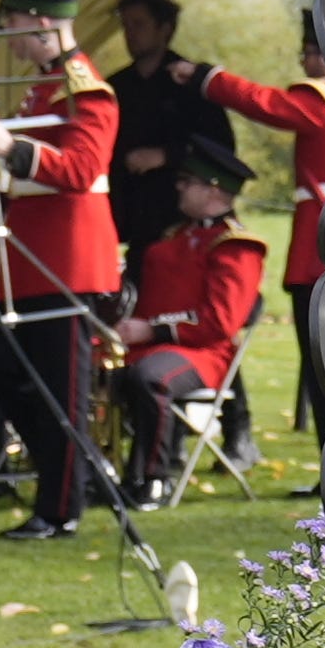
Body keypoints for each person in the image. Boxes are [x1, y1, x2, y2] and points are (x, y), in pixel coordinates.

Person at [0, 0, 118, 539]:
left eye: (12, 22)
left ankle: (60, 509)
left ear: (38, 21)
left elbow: (81, 170)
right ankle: (73, 474)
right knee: (5, 374)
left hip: (66, 262)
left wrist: (13, 147)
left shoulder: (85, 88)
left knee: (61, 393)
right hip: (29, 258)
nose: (7, 35)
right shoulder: (45, 86)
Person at [201, 13, 325, 435]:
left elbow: (263, 102)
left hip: (320, 257)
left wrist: (209, 79)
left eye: (311, 53)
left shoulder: (324, 102)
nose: (305, 63)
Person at [110, 164, 268, 507]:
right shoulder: (176, 236)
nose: (179, 187)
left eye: (187, 181)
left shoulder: (237, 246)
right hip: (152, 348)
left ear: (213, 190)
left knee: (151, 378)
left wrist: (153, 329)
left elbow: (219, 322)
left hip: (204, 354)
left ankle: (156, 477)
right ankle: (109, 475)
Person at [98, 0, 243, 255]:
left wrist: (166, 155)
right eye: (126, 26)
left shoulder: (190, 84)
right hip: (128, 212)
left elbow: (221, 146)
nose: (130, 34)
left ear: (164, 29)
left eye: (139, 24)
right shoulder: (114, 87)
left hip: (179, 214)